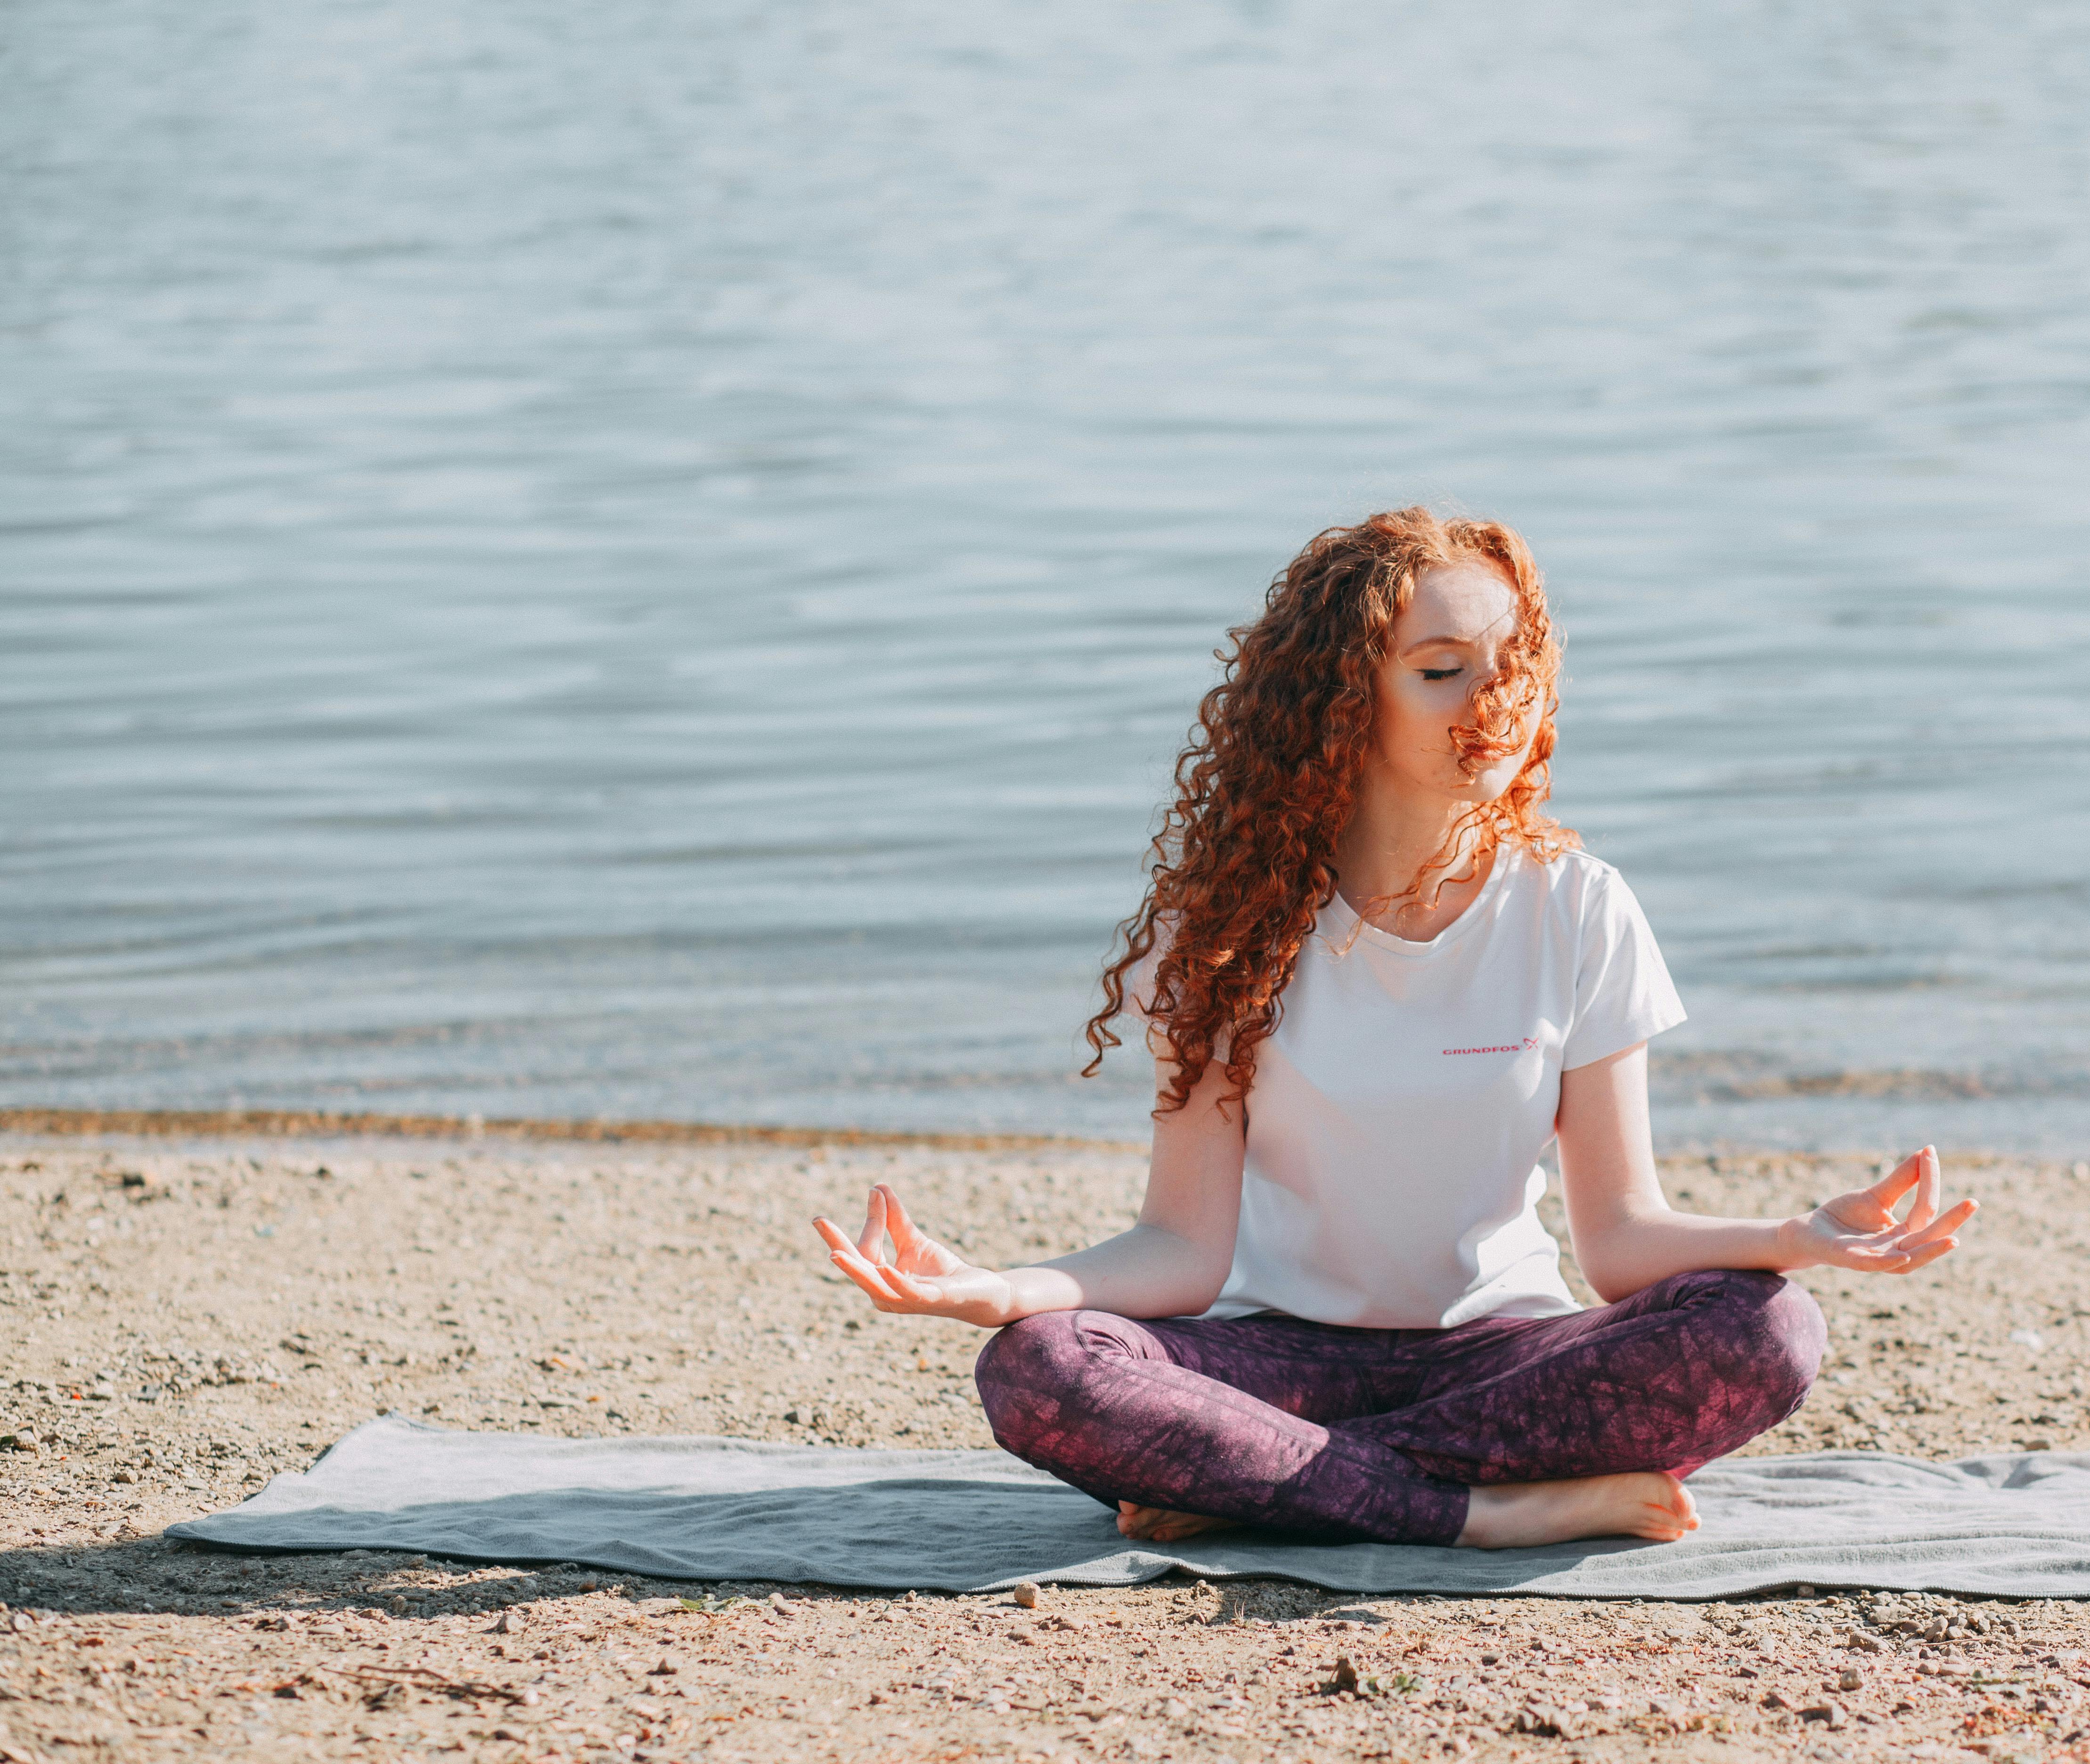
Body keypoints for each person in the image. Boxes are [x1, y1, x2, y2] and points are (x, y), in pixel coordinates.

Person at [813, 507, 1975, 1550]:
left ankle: (1255, 1488)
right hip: (1278, 1358)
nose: (1496, 697)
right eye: (1443, 670)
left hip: (1500, 1360)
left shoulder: (1580, 905)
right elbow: (1180, 1250)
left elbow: (1620, 1241)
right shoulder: (1225, 927)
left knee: (1769, 1328)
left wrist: (1797, 1233)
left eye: (1514, 663)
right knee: (1043, 1369)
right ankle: (1477, 1513)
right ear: (1341, 704)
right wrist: (1004, 1287)